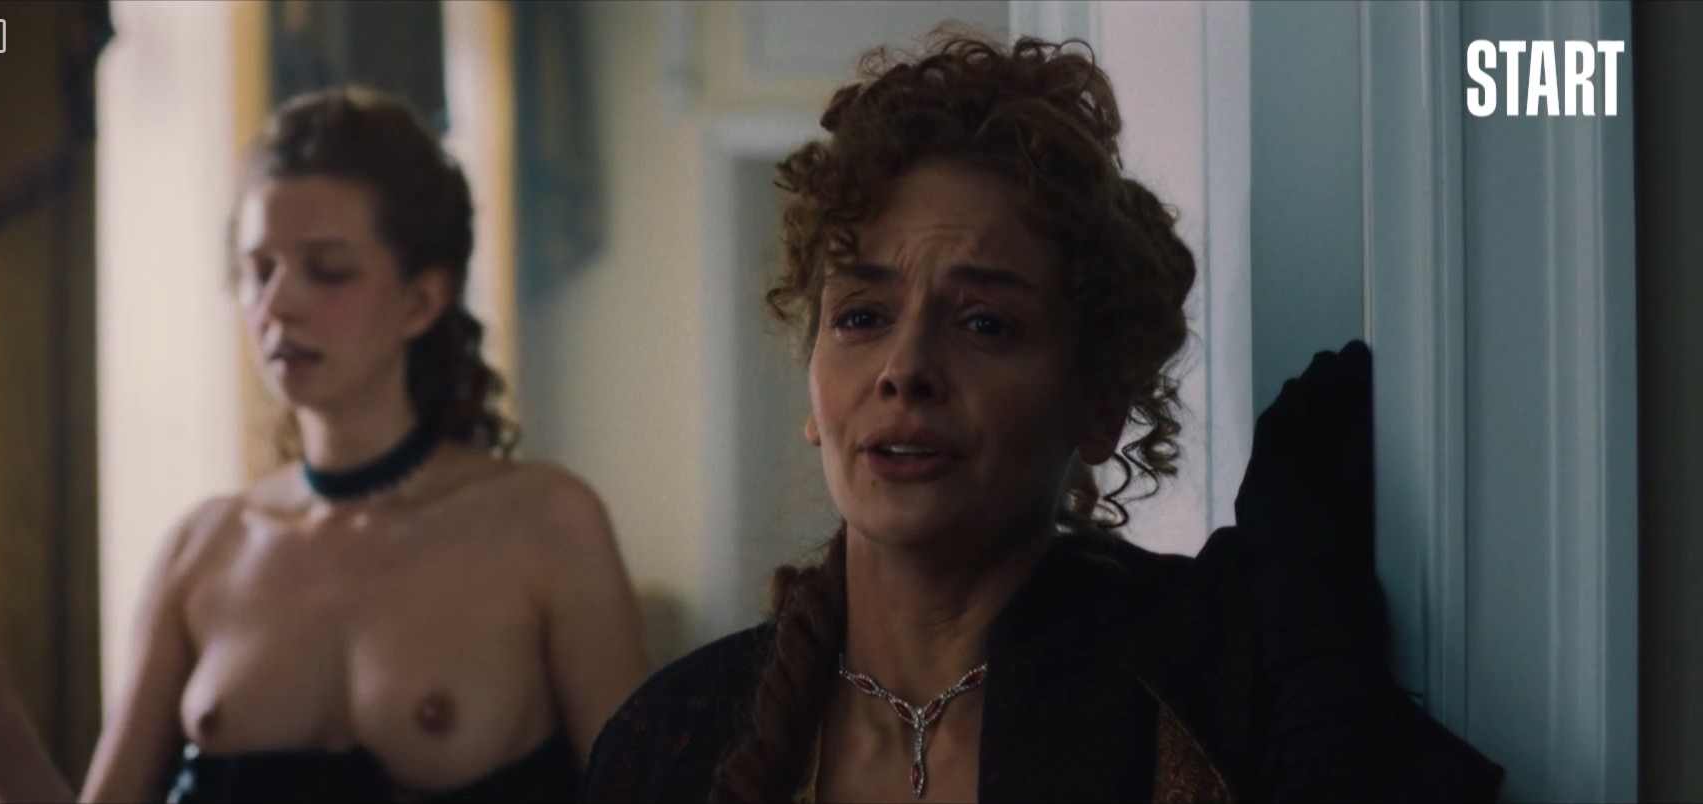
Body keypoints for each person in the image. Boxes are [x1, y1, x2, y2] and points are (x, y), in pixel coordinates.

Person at [581, 32, 1503, 801]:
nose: (905, 371)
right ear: (814, 395)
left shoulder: (1215, 680)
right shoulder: (673, 740)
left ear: (1098, 404)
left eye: (985, 323)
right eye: (861, 318)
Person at [0, 86, 650, 803]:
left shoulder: (545, 525)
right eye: (258, 270)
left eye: (327, 271)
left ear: (421, 300)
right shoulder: (202, 548)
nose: (277, 305)